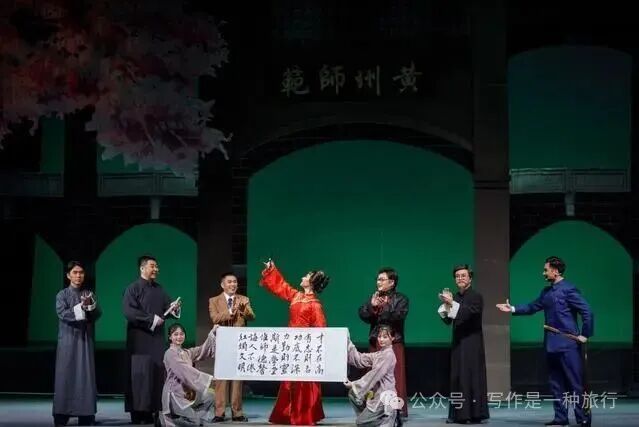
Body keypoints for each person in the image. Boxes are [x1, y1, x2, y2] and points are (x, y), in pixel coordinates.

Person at [497, 256, 594, 427]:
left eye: (546, 270)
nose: (543, 273)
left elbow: (587, 311)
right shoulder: (546, 292)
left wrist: (585, 334)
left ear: (555, 271)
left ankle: (582, 418)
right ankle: (560, 418)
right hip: (551, 345)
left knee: (575, 383)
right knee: (556, 383)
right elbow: (532, 307)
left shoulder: (569, 289)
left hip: (568, 344)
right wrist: (512, 308)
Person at [260, 259, 329, 425]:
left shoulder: (315, 305)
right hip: (291, 344)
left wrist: (312, 347)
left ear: (311, 282)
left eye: (306, 276)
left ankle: (305, 414)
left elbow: (320, 329)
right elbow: (281, 286)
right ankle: (287, 414)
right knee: (290, 379)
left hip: (305, 347)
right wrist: (272, 269)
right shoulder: (296, 296)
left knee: (305, 381)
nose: (303, 277)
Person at [123, 255, 181, 425]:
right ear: (142, 268)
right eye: (152, 266)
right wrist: (151, 319)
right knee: (139, 373)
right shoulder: (132, 288)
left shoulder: (159, 289)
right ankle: (138, 412)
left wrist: (174, 308)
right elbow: (129, 312)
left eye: (156, 266)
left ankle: (154, 410)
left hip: (156, 338)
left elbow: (167, 309)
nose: (156, 269)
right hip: (138, 339)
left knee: (156, 372)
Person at [437, 264, 489, 424]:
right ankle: (457, 414)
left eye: (463, 275)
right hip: (458, 340)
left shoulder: (476, 296)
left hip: (472, 341)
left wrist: (452, 303)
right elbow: (448, 320)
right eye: (457, 276)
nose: (460, 278)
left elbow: (467, 313)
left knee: (470, 376)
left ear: (470, 278)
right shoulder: (455, 297)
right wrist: (445, 306)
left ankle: (472, 414)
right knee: (457, 376)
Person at [53, 261, 101, 427]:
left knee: (85, 375)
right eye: (75, 272)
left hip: (85, 339)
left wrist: (90, 307)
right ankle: (62, 413)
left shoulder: (88, 293)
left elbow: (96, 314)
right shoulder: (62, 295)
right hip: (68, 340)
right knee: (65, 375)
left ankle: (86, 414)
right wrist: (81, 307)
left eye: (81, 272)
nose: (78, 275)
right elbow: (62, 313)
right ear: (68, 275)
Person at [358, 268, 409, 417]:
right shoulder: (374, 297)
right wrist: (372, 306)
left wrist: (385, 307)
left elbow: (398, 316)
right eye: (378, 279)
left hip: (394, 342)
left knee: (395, 376)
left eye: (382, 279)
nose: (378, 282)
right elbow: (363, 314)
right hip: (376, 341)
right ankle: (374, 409)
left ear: (391, 282)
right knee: (374, 376)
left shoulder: (401, 299)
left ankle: (396, 409)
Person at [208, 272, 255, 422]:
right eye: (229, 282)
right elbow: (215, 318)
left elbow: (252, 317)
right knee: (221, 379)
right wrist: (229, 312)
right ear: (222, 284)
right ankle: (219, 413)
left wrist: (243, 310)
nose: (233, 284)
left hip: (238, 344)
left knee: (237, 379)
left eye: (235, 282)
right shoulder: (214, 301)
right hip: (222, 344)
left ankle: (237, 413)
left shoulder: (243, 299)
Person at [160, 323, 219, 427]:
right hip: (175, 395)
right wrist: (207, 378)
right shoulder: (170, 353)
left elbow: (202, 350)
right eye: (175, 334)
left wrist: (213, 333)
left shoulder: (186, 352)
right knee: (195, 423)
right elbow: (184, 370)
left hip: (187, 393)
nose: (179, 337)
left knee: (210, 396)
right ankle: (167, 420)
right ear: (170, 337)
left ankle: (194, 418)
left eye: (181, 334)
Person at [345, 325, 400, 427]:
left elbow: (374, 375)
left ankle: (388, 421)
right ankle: (374, 418)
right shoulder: (380, 354)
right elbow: (360, 359)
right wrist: (348, 342)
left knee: (360, 422)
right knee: (353, 394)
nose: (381, 339)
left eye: (385, 337)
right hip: (377, 394)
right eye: (379, 336)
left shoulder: (388, 355)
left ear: (392, 338)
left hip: (384, 396)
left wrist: (353, 384)